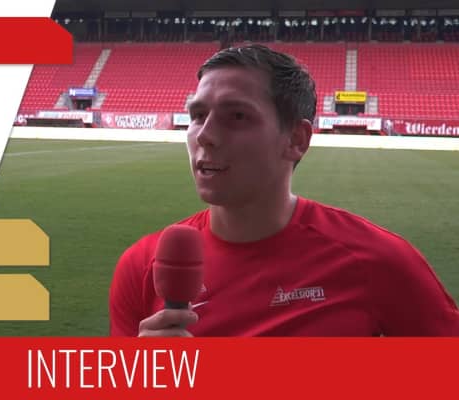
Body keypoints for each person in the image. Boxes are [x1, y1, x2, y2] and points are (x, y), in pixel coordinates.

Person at [109, 44, 459, 336]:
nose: (204, 135)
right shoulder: (142, 266)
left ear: (296, 139)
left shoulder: (377, 261)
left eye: (237, 116)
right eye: (198, 116)